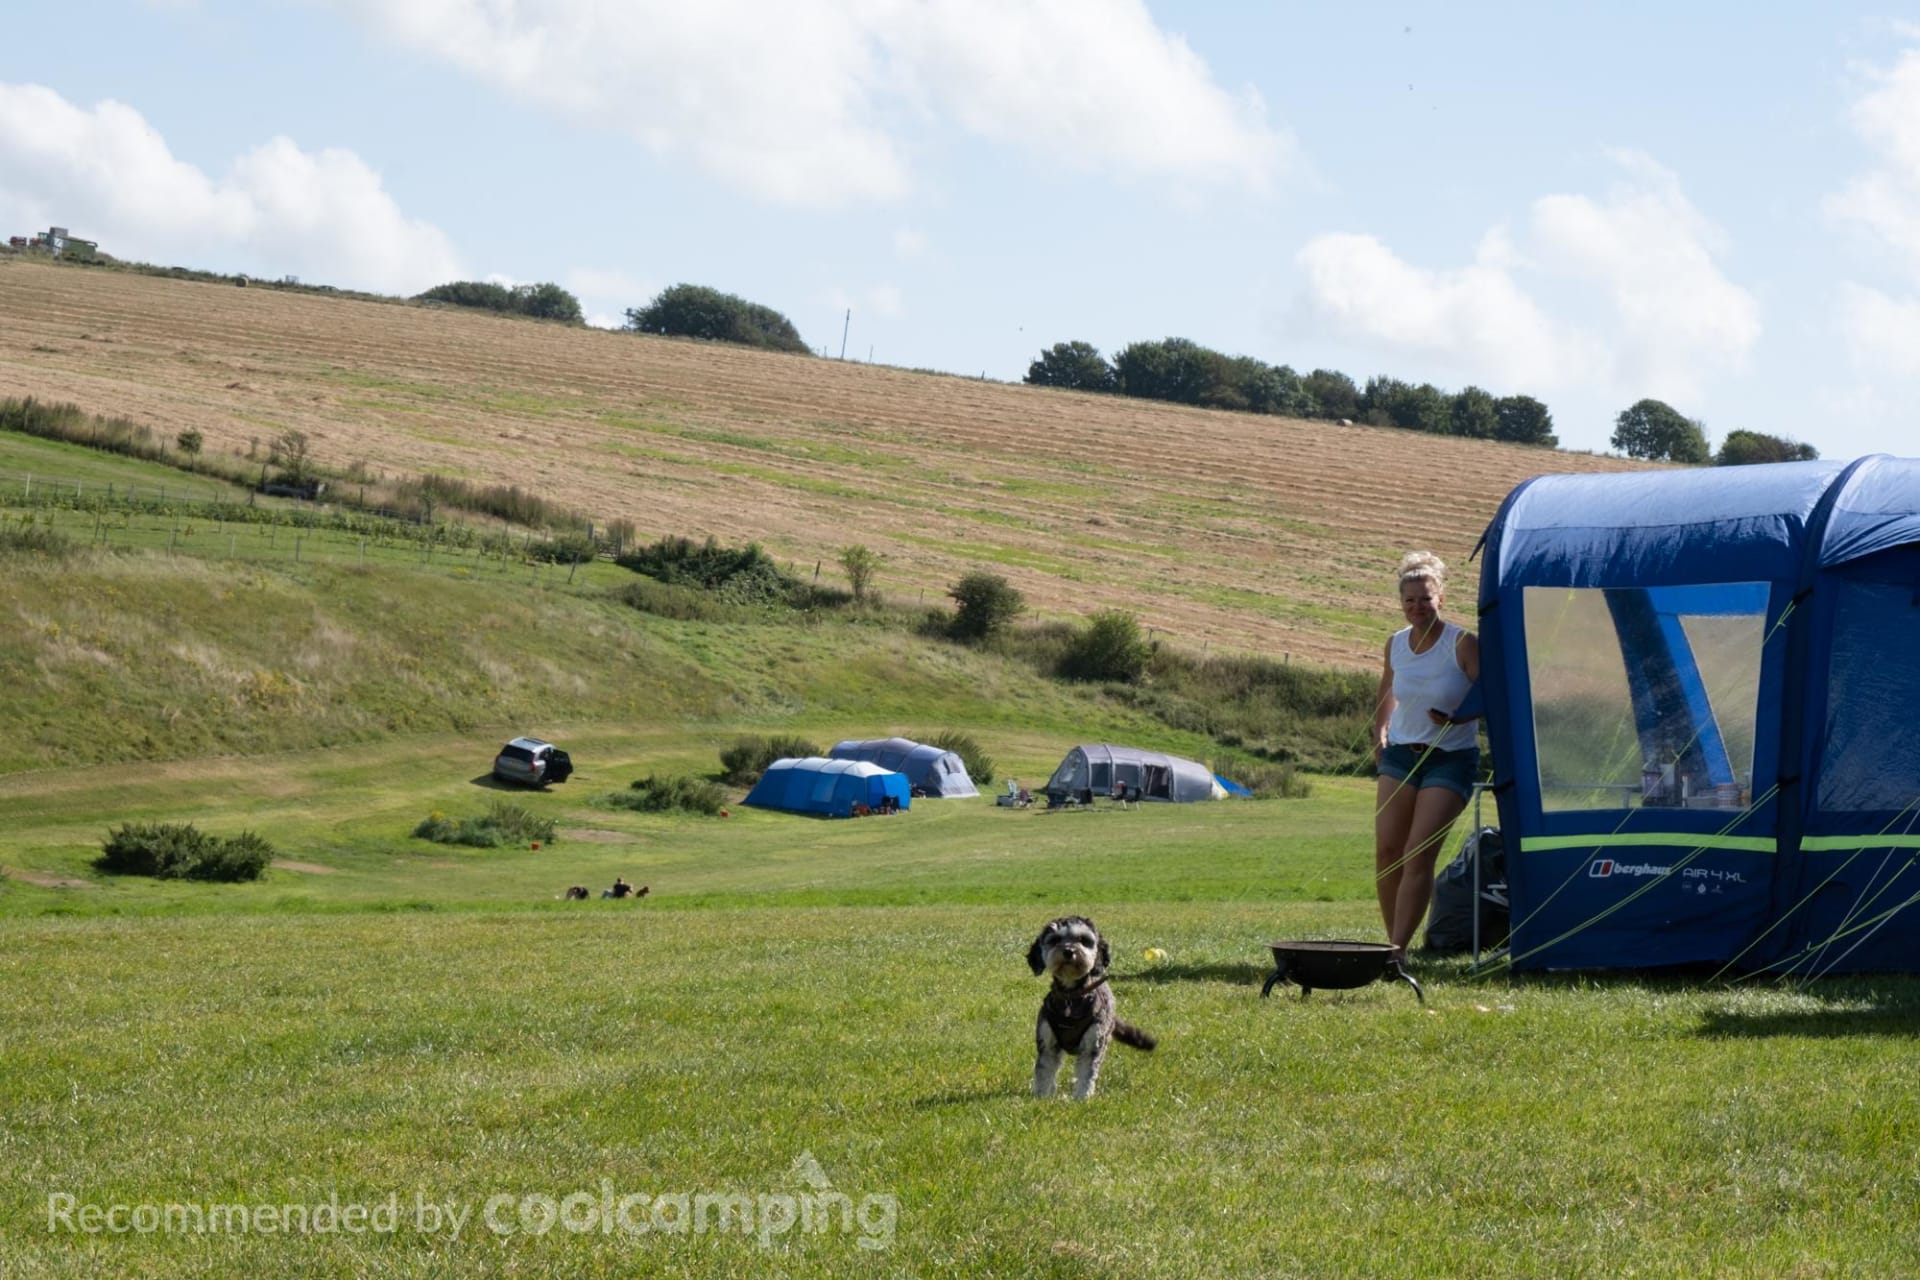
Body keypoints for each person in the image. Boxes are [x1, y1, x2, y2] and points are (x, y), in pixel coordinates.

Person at [1373, 551, 1481, 964]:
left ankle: (1397, 952)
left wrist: (1460, 717)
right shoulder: (1395, 644)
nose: (1418, 606)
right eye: (1410, 600)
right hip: (1400, 755)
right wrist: (1378, 734)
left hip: (1450, 759)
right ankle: (1391, 946)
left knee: (1419, 852)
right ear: (1401, 603)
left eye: (1425, 598)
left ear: (1441, 598)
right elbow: (1387, 692)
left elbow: (1492, 696)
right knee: (1387, 852)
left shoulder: (1463, 643)